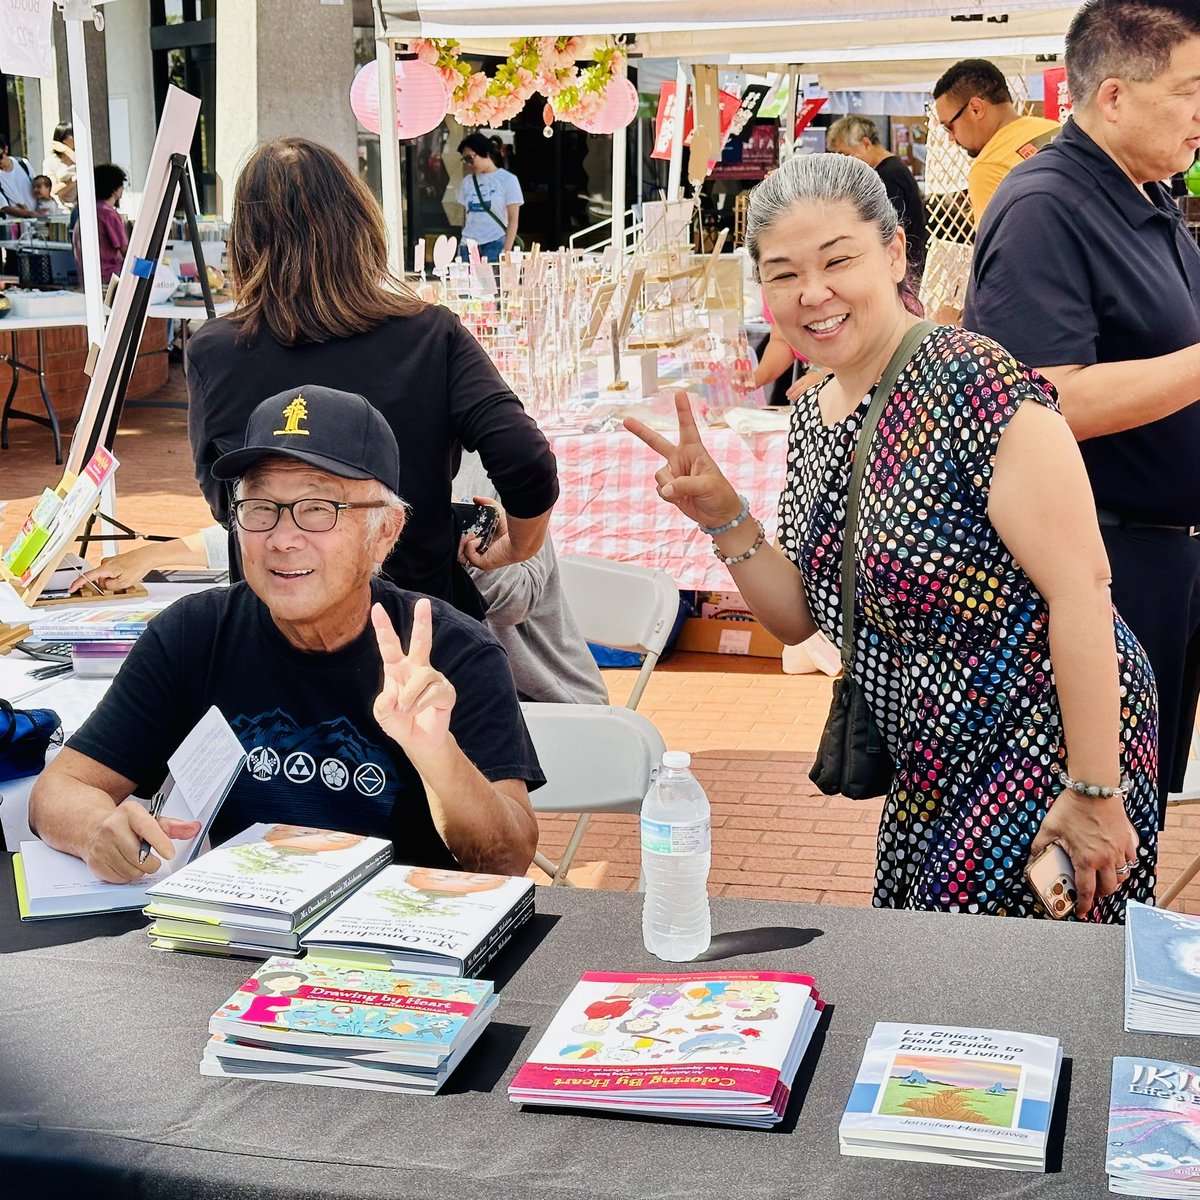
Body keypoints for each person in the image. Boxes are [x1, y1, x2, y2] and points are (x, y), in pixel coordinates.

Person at [626, 152, 1158, 922]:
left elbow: (1082, 592)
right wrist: (722, 514)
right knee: (928, 964)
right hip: (929, 761)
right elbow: (802, 618)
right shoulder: (812, 415)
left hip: (1044, 746)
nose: (813, 293)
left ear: (895, 252)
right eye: (783, 273)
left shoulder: (974, 382)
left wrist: (1095, 792)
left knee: (1000, 972)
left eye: (838, 260)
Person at [29, 385, 543, 885]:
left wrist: (436, 754)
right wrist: (96, 829)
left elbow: (507, 860)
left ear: (385, 532)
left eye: (318, 508)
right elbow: (60, 788)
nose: (282, 538)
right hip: (233, 925)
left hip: (399, 934)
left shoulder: (453, 652)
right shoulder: (192, 634)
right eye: (260, 507)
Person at [963, 0, 1200, 824]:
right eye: (1189, 92)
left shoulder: (1149, 195)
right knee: (1089, 823)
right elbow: (1037, 400)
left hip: (1162, 560)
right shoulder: (1047, 206)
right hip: (1098, 567)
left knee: (1138, 818)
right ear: (1113, 96)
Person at [185, 137, 557, 621]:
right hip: (418, 624)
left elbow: (227, 501)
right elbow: (524, 456)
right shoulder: (430, 333)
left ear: (246, 240)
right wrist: (520, 546)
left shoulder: (214, 351)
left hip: (279, 629)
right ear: (361, 224)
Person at [454, 451, 608, 705]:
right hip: (444, 695)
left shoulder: (499, 461)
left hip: (544, 701)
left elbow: (516, 602)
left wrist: (456, 535)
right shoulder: (388, 466)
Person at [932, 59, 1060, 227]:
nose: (951, 138)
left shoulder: (989, 167)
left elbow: (1004, 243)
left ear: (976, 109)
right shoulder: (1056, 129)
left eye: (949, 127)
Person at [826, 114, 928, 278]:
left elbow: (889, 229)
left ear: (866, 143)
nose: (844, 162)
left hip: (903, 269)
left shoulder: (888, 175)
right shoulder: (892, 169)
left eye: (846, 154)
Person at [457, 132, 523, 262]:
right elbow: (466, 217)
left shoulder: (508, 180)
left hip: (495, 242)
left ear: (484, 153)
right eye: (465, 160)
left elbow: (513, 221)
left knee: (494, 276)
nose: (468, 164)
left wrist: (506, 251)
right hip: (468, 244)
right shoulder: (467, 182)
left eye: (470, 158)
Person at [72, 162, 129, 285]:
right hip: (109, 277)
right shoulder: (108, 214)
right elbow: (126, 251)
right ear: (115, 188)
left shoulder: (87, 211)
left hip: (88, 278)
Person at [41, 122, 76, 207]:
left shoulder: (78, 158)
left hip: (81, 207)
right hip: (62, 208)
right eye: (72, 135)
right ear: (63, 139)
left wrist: (68, 151)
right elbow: (53, 190)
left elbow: (85, 168)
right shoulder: (50, 162)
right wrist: (74, 180)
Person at [0, 138, 37, 217]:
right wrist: (29, 214)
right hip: (14, 222)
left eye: (0, 157)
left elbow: (38, 187)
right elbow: (3, 207)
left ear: (6, 149)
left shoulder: (23, 164)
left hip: (37, 218)